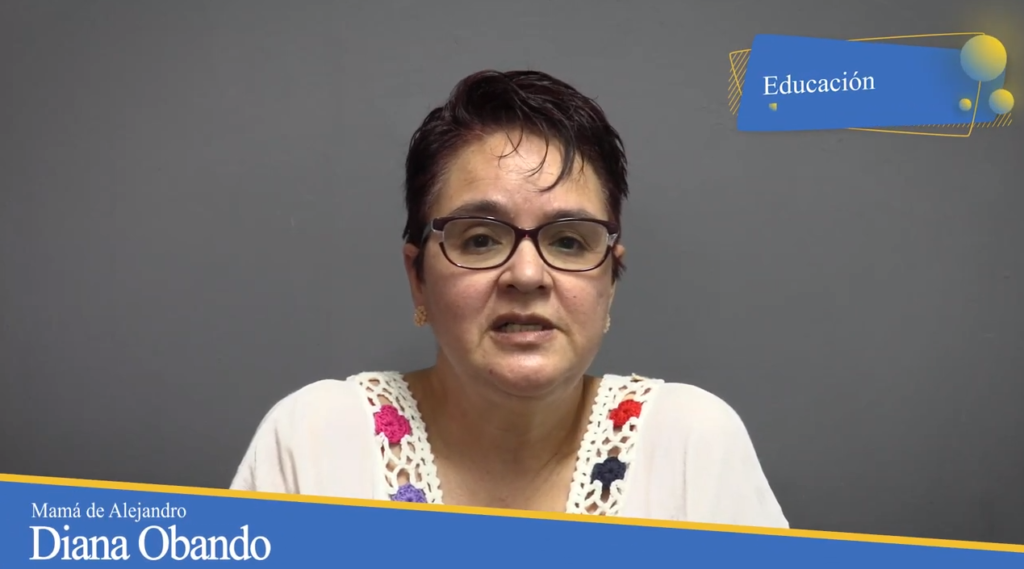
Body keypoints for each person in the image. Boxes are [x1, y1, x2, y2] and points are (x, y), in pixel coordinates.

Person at [229, 69, 788, 528]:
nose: (526, 274)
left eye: (569, 241)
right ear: (417, 277)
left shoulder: (691, 443)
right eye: (480, 239)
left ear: (611, 280)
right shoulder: (314, 439)